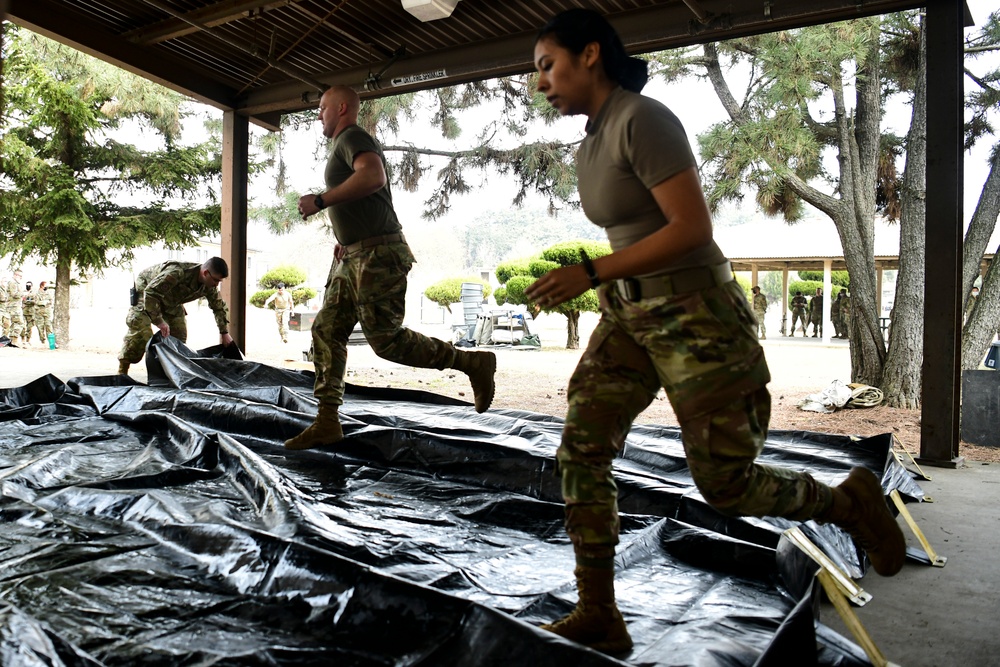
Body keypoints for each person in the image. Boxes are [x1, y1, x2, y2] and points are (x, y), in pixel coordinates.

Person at [525, 9, 905, 654]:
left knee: (725, 486)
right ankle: (599, 612)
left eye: (546, 65)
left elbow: (690, 228)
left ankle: (849, 502)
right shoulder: (592, 139)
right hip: (629, 314)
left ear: (590, 54)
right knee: (581, 449)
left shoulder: (644, 119)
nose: (540, 83)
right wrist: (603, 279)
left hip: (695, 313)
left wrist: (589, 271)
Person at [285, 84, 497, 451]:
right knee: (326, 330)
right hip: (353, 255)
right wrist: (345, 237)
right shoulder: (342, 144)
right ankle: (327, 421)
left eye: (321, 108)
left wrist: (320, 200)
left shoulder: (352, 136)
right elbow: (364, 197)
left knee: (386, 341)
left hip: (379, 255)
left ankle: (471, 362)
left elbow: (373, 176)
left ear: (341, 107)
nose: (318, 115)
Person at [117, 257, 233, 374]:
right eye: (216, 280)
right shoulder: (177, 272)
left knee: (179, 338)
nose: (217, 284)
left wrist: (224, 333)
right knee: (142, 333)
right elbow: (151, 293)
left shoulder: (209, 286)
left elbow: (218, 307)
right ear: (205, 273)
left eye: (219, 281)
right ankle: (122, 371)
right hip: (147, 292)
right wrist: (159, 321)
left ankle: (168, 375)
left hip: (171, 301)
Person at [1, 269, 26, 345]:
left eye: (21, 276)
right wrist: (23, 293)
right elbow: (14, 294)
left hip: (15, 306)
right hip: (14, 307)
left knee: (14, 324)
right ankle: (13, 340)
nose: (21, 277)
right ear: (15, 275)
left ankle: (11, 340)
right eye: (19, 276)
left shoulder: (16, 283)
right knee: (20, 323)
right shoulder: (13, 282)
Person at [32, 280, 54, 345]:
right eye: (45, 286)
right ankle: (42, 340)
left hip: (47, 312)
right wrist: (44, 302)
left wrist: (47, 302)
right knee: (40, 327)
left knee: (49, 327)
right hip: (39, 313)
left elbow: (50, 301)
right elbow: (36, 302)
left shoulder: (48, 293)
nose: (46, 287)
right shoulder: (37, 293)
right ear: (41, 286)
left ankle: (51, 342)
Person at [21, 281, 36, 347]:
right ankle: (23, 339)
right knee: (22, 326)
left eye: (29, 285)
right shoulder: (23, 292)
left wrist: (26, 302)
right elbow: (21, 300)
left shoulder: (34, 293)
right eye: (27, 285)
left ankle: (28, 340)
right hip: (23, 311)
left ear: (32, 286)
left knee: (29, 327)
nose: (28, 286)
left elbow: (35, 301)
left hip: (30, 312)